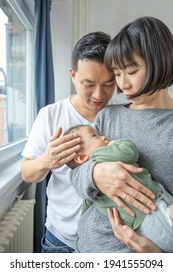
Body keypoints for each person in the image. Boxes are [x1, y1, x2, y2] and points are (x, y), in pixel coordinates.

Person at [70, 16, 173, 253]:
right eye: (117, 73)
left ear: (161, 61)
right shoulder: (107, 116)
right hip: (84, 249)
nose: (122, 84)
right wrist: (95, 173)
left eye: (132, 71)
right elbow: (76, 177)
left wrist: (158, 256)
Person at [21, 31, 118, 253]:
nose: (98, 94)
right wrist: (46, 160)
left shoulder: (122, 115)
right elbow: (27, 174)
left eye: (108, 84)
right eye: (89, 83)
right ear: (73, 75)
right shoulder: (50, 115)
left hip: (110, 244)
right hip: (61, 241)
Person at [65, 124, 173, 252]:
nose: (104, 137)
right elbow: (129, 152)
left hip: (141, 227)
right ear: (82, 157)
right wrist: (116, 143)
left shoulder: (95, 169)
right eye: (95, 136)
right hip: (151, 213)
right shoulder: (104, 155)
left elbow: (86, 205)